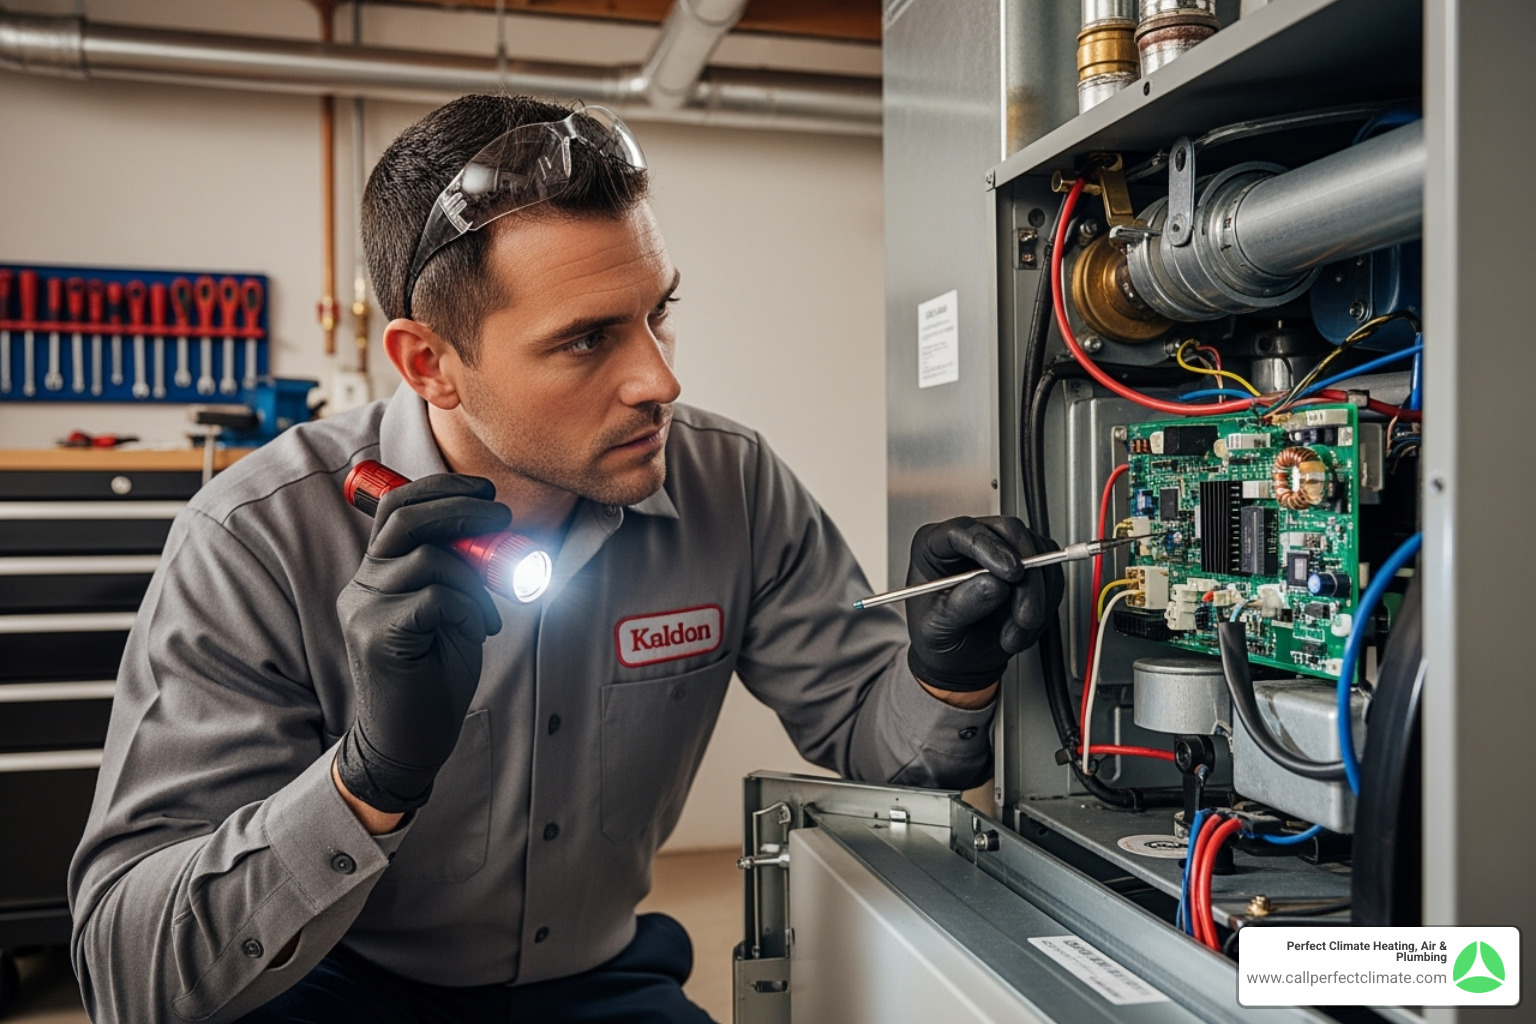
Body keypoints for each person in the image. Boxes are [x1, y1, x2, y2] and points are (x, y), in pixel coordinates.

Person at [67, 94, 1064, 1024]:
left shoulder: (732, 486)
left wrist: (947, 670)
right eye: (589, 339)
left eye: (657, 313)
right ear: (429, 364)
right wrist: (366, 782)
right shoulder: (258, 538)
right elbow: (127, 973)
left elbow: (876, 734)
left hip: (601, 982)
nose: (660, 378)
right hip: (328, 983)